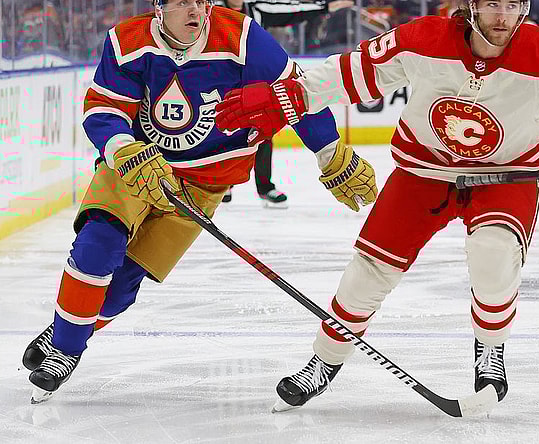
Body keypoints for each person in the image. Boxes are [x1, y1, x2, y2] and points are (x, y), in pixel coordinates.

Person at [214, 0, 539, 411]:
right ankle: (324, 360)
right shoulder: (423, 39)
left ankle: (490, 348)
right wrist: (288, 95)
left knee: (495, 255)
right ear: (473, 5)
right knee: (367, 273)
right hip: (422, 173)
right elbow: (351, 73)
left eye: (513, 5)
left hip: (503, 178)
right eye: (492, 4)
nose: (502, 17)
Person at [20, 0, 377, 403]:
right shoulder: (126, 42)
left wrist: (329, 153)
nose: (196, 9)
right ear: (158, 8)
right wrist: (122, 148)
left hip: (203, 185)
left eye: (201, 1)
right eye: (182, 2)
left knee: (121, 288)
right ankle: (66, 350)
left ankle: (67, 327)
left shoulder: (242, 39)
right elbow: (104, 108)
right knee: (97, 243)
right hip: (138, 166)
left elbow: (294, 95)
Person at [218, 0, 354, 208]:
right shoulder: (209, 9)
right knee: (221, 132)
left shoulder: (257, 10)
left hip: (252, 82)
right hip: (219, 81)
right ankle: (223, 184)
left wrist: (325, 7)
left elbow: (292, 10)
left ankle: (264, 187)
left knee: (263, 131)